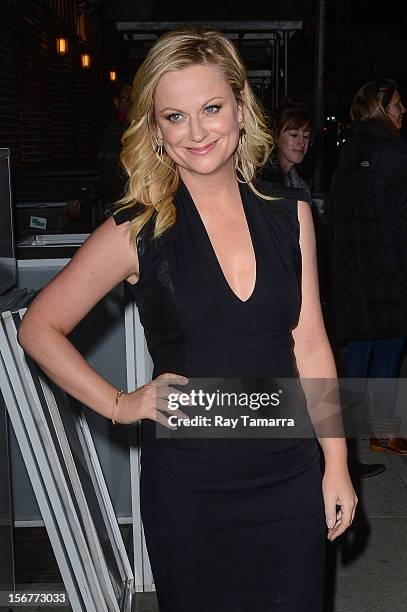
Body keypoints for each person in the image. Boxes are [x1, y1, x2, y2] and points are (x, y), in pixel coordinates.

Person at [18, 28, 357, 612]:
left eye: (211, 108)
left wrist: (336, 463)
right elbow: (39, 328)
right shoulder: (137, 231)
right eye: (175, 116)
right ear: (155, 129)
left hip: (288, 473)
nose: (197, 131)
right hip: (192, 485)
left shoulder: (292, 216)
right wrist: (121, 404)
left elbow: (311, 346)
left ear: (240, 107)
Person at [330, 79, 407, 456]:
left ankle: (347, 435)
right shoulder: (393, 151)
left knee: (362, 345)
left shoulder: (349, 151)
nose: (402, 110)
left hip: (354, 270)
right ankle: (383, 431)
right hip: (388, 270)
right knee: (389, 346)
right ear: (380, 109)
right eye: (397, 104)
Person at [262, 98, 313, 203]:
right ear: (275, 136)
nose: (301, 143)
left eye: (306, 136)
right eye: (294, 135)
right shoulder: (261, 183)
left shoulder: (301, 186)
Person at [97, 80, 132, 206]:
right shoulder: (112, 133)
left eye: (134, 98)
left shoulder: (139, 127)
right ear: (117, 102)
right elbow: (110, 174)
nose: (131, 102)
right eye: (127, 98)